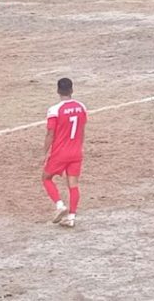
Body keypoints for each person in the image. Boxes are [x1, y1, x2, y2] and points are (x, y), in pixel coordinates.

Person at [42, 77, 87, 228]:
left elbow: (50, 133)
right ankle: (71, 218)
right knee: (73, 184)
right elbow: (82, 129)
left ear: (58, 91)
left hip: (60, 152)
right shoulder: (81, 107)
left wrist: (44, 152)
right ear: (72, 90)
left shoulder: (54, 110)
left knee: (46, 178)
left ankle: (60, 205)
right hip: (76, 152)